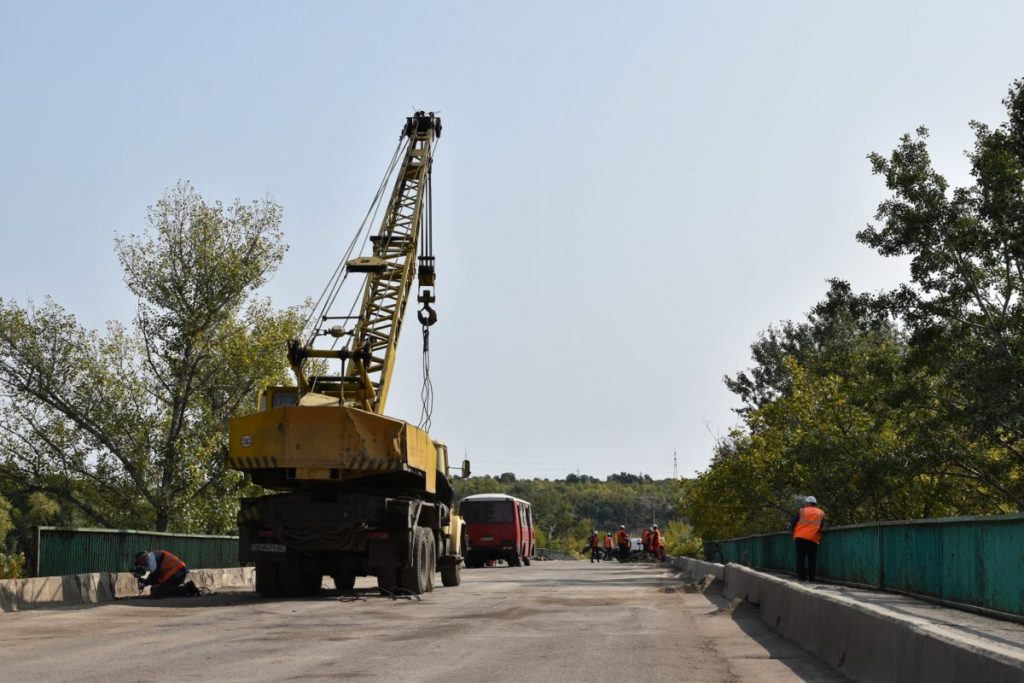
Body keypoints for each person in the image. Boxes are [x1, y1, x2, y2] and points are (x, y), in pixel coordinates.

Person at [133, 549, 199, 598]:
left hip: (178, 573)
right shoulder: (151, 559)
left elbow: (155, 575)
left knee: (160, 590)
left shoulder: (151, 557)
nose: (141, 565)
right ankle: (186, 589)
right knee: (158, 590)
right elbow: (154, 577)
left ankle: (187, 589)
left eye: (140, 562)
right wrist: (144, 581)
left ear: (142, 557)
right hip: (176, 573)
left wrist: (145, 582)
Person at [791, 496, 826, 582]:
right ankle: (812, 578)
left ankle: (802, 577)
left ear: (807, 503)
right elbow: (821, 526)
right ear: (815, 504)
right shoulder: (820, 513)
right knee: (812, 559)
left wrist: (792, 532)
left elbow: (793, 523)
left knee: (800, 558)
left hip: (800, 537)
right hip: (813, 538)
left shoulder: (801, 511)